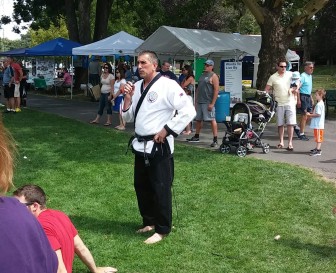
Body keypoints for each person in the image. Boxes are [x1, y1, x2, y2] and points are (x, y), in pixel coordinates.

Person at [122, 50, 196, 244]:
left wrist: (167, 130)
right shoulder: (136, 86)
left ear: (154, 65)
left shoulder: (168, 85)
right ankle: (149, 221)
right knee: (142, 186)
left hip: (159, 145)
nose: (139, 67)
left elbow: (188, 110)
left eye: (143, 63)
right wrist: (127, 99)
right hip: (140, 145)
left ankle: (162, 229)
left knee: (160, 187)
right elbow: (128, 118)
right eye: (138, 63)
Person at [13, 184, 117, 273]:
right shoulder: (60, 215)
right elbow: (81, 248)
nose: (14, 210)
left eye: (18, 206)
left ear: (35, 206)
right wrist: (95, 269)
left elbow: (60, 270)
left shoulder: (41, 227)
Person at [0, 118, 58, 273]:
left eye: (20, 205)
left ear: (35, 206)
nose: (16, 206)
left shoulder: (41, 225)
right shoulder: (57, 217)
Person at [187, 59, 219, 147]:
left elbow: (216, 90)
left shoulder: (214, 76)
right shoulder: (202, 75)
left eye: (208, 65)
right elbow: (198, 88)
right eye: (205, 65)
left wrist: (212, 103)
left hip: (208, 101)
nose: (206, 66)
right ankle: (196, 136)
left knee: (212, 119)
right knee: (198, 119)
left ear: (212, 67)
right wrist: (195, 101)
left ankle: (215, 139)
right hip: (200, 101)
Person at [265, 58, 295, 151]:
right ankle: (281, 141)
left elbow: (298, 82)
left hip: (290, 102)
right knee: (280, 124)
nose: (283, 68)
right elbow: (267, 89)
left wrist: (293, 89)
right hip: (279, 103)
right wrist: (268, 97)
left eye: (285, 66)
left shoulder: (290, 74)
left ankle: (290, 143)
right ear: (277, 66)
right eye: (281, 66)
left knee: (290, 123)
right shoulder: (273, 77)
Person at [296, 61, 315, 141]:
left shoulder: (310, 76)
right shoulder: (302, 76)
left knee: (310, 115)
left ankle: (298, 129)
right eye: (310, 67)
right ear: (306, 67)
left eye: (313, 67)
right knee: (304, 115)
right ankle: (301, 133)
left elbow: (309, 88)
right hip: (303, 96)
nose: (312, 69)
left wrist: (311, 98)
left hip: (308, 96)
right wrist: (298, 99)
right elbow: (298, 88)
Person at [307, 88, 326, 156]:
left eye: (316, 95)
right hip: (317, 124)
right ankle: (317, 148)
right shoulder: (320, 103)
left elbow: (318, 114)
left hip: (318, 125)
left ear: (320, 95)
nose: (315, 96)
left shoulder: (319, 104)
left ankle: (318, 150)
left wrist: (310, 115)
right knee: (317, 137)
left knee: (318, 138)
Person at [180, 65, 195, 135]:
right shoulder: (185, 77)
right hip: (185, 96)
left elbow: (182, 86)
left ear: (187, 70)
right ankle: (187, 129)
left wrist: (183, 86)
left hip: (189, 97)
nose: (183, 71)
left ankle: (188, 129)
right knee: (184, 112)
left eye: (184, 70)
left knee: (187, 113)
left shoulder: (190, 78)